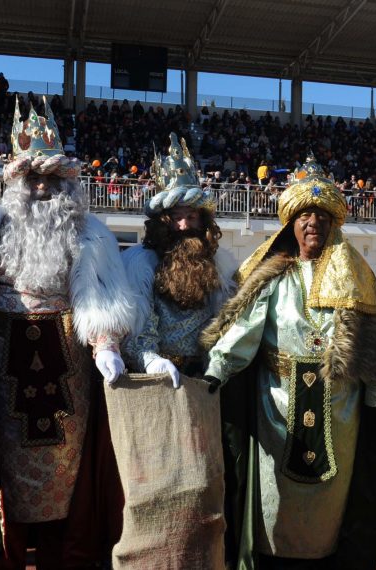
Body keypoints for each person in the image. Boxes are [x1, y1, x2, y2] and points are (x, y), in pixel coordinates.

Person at [0, 98, 136, 568]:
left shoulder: (89, 235)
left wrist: (106, 345)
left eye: (50, 180)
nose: (40, 188)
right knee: (5, 478)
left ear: (64, 184)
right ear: (15, 182)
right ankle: (7, 557)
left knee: (67, 475)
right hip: (3, 371)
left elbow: (97, 298)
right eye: (32, 179)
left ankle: (62, 555)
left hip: (69, 378)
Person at [201, 154, 376, 569]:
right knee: (275, 500)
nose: (313, 223)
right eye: (304, 216)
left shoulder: (356, 278)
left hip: (339, 408)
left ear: (334, 224)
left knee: (333, 504)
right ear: (291, 224)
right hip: (277, 405)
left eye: (322, 216)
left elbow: (375, 342)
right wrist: (214, 373)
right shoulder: (274, 277)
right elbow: (243, 335)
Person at [113, 133, 237, 566]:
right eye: (176, 216)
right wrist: (149, 356)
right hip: (150, 387)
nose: (185, 224)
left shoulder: (219, 267)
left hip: (201, 386)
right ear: (161, 221)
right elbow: (138, 324)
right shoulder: (139, 264)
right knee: (153, 485)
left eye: (192, 215)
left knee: (200, 484)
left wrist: (213, 363)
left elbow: (224, 324)